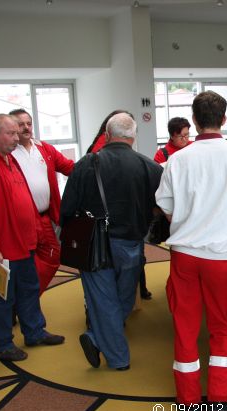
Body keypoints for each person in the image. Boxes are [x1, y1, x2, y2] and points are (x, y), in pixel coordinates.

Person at [155, 91, 227, 411]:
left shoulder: (177, 159)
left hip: (183, 255)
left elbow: (165, 204)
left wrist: (188, 217)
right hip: (219, 256)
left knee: (185, 326)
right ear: (224, 120)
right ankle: (219, 402)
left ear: (194, 120)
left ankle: (187, 401)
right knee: (225, 326)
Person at [0, 114, 65, 362]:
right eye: (11, 133)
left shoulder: (6, 157)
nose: (17, 138)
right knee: (1, 296)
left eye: (18, 133)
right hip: (0, 249)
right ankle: (2, 343)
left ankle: (34, 332)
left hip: (22, 243)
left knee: (29, 289)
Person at [61, 113, 162, 371]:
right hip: (131, 244)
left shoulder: (85, 164)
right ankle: (114, 353)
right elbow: (162, 207)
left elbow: (67, 208)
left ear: (106, 135)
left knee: (103, 299)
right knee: (125, 298)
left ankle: (105, 347)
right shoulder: (150, 167)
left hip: (92, 244)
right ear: (133, 136)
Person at [86, 110, 151, 300]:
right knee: (123, 284)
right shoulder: (145, 164)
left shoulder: (90, 158)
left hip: (100, 231)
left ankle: (104, 321)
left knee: (103, 285)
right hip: (124, 231)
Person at [9, 109, 74, 295]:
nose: (26, 128)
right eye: (20, 124)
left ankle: (25, 298)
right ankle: (21, 301)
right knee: (22, 263)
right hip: (20, 221)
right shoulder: (8, 153)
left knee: (52, 257)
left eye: (28, 123)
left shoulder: (44, 148)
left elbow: (69, 167)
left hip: (44, 217)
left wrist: (94, 165)